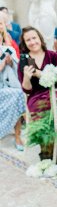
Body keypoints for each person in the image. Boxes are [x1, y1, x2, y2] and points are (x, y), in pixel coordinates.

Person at [18, 26, 57, 116]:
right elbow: (27, 91)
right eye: (28, 40)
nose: (32, 42)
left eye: (34, 38)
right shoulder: (24, 60)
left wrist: (39, 74)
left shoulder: (53, 56)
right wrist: (26, 77)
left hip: (55, 94)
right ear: (24, 43)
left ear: (40, 38)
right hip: (36, 98)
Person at [0, 20, 24, 148]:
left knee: (18, 95)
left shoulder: (6, 48)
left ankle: (17, 135)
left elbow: (17, 66)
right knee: (17, 95)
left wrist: (10, 62)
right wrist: (2, 64)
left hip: (9, 84)